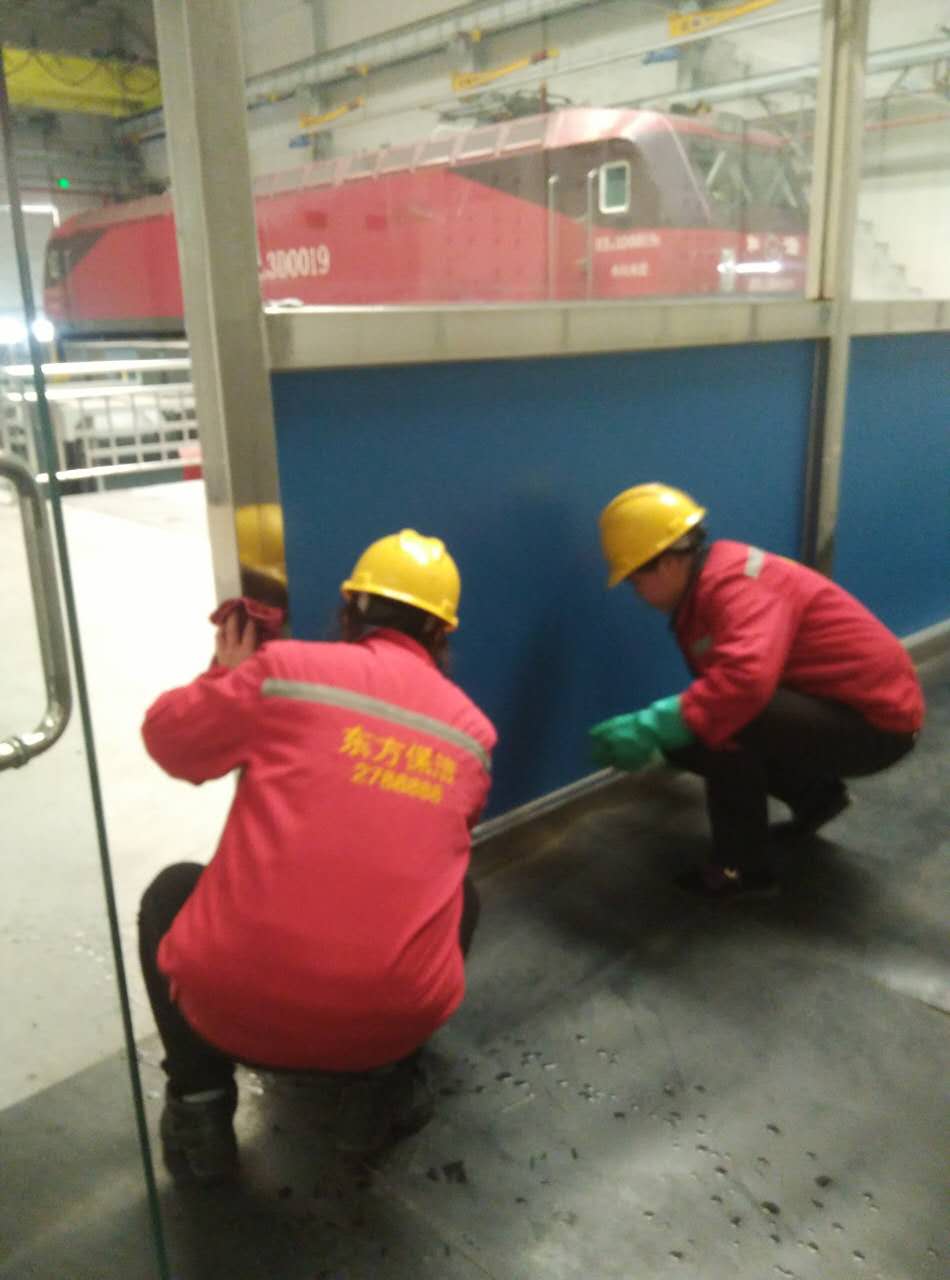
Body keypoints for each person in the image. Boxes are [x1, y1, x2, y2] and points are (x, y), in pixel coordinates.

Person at [138, 528, 496, 1184]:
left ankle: (199, 1103)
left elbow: (169, 743)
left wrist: (226, 674)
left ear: (351, 608)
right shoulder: (473, 736)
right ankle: (377, 1094)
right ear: (441, 633)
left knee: (171, 892)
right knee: (461, 895)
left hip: (229, 1007)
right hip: (381, 1027)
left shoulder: (286, 672)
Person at [590, 483, 924, 901]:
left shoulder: (736, 586)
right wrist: (667, 727)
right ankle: (816, 797)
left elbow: (744, 683)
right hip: (845, 712)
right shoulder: (712, 583)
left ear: (667, 564)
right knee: (691, 733)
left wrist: (655, 723)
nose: (636, 594)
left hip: (878, 727)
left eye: (634, 581)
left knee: (727, 718)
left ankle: (741, 869)